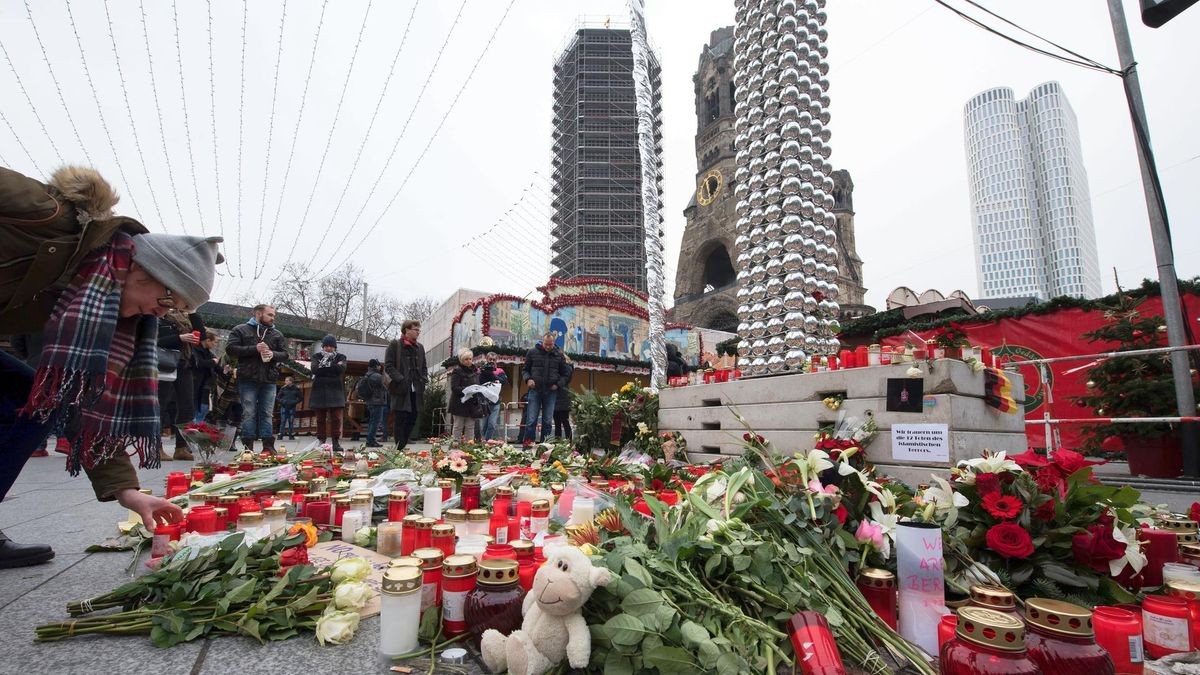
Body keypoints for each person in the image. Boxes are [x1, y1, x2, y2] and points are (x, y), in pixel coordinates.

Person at [0, 164, 222, 567]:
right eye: (169, 299)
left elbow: (76, 399)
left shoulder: (103, 310)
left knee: (30, 402)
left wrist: (127, 491)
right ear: (144, 269)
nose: (162, 312)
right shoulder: (48, 218)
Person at [225, 304, 287, 453]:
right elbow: (230, 349)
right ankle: (248, 447)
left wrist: (273, 354)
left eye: (273, 315)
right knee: (249, 412)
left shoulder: (276, 334)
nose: (273, 318)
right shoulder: (240, 329)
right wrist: (254, 349)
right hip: (247, 378)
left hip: (269, 379)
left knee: (267, 412)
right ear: (259, 314)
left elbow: (285, 354)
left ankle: (268, 445)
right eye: (270, 315)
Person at [157, 309, 205, 460]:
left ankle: (181, 447)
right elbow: (154, 341)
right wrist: (179, 338)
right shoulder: (160, 315)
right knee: (160, 405)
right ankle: (155, 448)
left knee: (186, 407)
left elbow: (201, 335)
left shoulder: (188, 317)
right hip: (165, 364)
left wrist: (193, 312)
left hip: (185, 364)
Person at [385, 320, 428, 449]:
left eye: (419, 330)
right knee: (400, 418)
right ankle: (399, 448)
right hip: (401, 388)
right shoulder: (395, 345)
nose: (418, 332)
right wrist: (401, 379)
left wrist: (424, 379)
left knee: (413, 416)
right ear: (407, 330)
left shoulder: (420, 347)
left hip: (416, 388)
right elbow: (388, 366)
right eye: (416, 330)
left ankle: (402, 444)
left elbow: (424, 366)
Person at [520, 332, 569, 443]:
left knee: (547, 422)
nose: (547, 347)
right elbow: (525, 370)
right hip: (535, 391)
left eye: (550, 345)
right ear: (542, 342)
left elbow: (566, 374)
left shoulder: (559, 355)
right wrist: (528, 379)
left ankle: (544, 447)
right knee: (531, 420)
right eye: (546, 344)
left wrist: (558, 384)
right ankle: (528, 446)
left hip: (551, 392)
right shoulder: (532, 352)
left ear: (554, 343)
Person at [309, 335, 348, 453]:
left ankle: (336, 442)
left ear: (335, 347)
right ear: (323, 346)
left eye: (331, 346)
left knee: (336, 418)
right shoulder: (316, 356)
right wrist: (332, 367)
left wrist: (324, 367)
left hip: (335, 390)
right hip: (319, 390)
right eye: (326, 346)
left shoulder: (342, 357)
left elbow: (341, 369)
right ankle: (321, 440)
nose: (328, 348)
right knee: (320, 418)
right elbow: (314, 369)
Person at [448, 349, 483, 442]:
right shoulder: (457, 371)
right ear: (461, 360)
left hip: (471, 404)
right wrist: (467, 389)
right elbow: (454, 387)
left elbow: (478, 384)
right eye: (466, 359)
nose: (469, 361)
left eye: (470, 359)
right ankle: (455, 447)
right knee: (458, 426)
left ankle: (469, 447)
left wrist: (478, 389)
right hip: (459, 403)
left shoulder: (475, 371)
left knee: (470, 427)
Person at [356, 359, 388, 448]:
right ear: (376, 366)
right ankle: (371, 440)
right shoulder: (377, 376)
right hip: (377, 402)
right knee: (375, 422)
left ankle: (370, 439)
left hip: (370, 401)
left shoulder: (367, 375)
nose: (380, 367)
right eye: (379, 365)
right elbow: (386, 385)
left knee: (372, 421)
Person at [192, 331, 221, 424]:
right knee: (200, 408)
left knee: (204, 408)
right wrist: (212, 362)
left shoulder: (209, 354)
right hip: (197, 382)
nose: (216, 345)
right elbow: (198, 363)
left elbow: (217, 368)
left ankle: (197, 425)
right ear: (208, 340)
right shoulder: (195, 350)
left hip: (206, 385)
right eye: (215, 342)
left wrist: (226, 371)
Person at [478, 352, 508, 441]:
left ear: (496, 361)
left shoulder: (500, 371)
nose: (492, 361)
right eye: (490, 359)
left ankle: (487, 441)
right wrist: (484, 371)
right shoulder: (481, 370)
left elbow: (504, 381)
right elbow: (478, 382)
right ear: (486, 359)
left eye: (494, 360)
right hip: (484, 402)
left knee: (492, 424)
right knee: (483, 425)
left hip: (495, 402)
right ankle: (483, 441)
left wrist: (493, 375)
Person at [553, 354, 576, 441]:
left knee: (561, 422)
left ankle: (563, 440)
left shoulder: (566, 369)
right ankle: (565, 441)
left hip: (561, 398)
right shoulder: (568, 368)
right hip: (562, 398)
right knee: (562, 422)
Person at [276, 375, 302, 440]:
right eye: (285, 381)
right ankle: (280, 435)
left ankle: (291, 435)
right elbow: (278, 397)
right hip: (284, 406)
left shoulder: (296, 389)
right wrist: (283, 401)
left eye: (287, 380)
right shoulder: (283, 388)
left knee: (291, 421)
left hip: (292, 407)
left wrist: (294, 402)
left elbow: (301, 398)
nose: (285, 382)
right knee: (283, 421)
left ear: (291, 381)